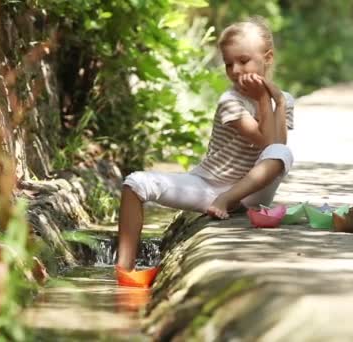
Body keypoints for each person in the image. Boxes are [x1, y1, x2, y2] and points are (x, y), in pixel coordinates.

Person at [115, 16, 296, 287]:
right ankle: (124, 271)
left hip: (251, 191)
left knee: (282, 153)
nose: (235, 70)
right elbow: (262, 140)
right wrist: (262, 100)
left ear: (267, 58)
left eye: (243, 61)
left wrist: (277, 101)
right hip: (208, 187)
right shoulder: (230, 102)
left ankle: (227, 200)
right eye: (228, 64)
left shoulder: (285, 101)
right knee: (134, 183)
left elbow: (273, 145)